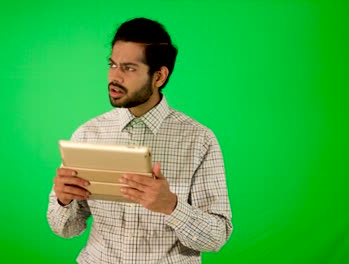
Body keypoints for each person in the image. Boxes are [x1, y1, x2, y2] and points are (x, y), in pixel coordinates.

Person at [47, 17, 232, 263]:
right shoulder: (87, 135)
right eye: (112, 64)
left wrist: (172, 206)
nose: (115, 77)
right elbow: (66, 229)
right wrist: (63, 200)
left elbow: (216, 238)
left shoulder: (199, 140)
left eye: (129, 68)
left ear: (159, 76)